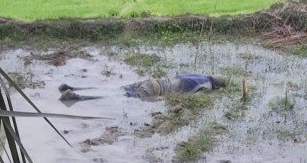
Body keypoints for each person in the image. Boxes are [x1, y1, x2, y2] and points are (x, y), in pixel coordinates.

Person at [58, 74, 226, 102]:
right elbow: (191, 98)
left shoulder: (199, 75)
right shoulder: (207, 86)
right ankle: (77, 97)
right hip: (154, 90)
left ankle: (73, 87)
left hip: (152, 81)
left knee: (117, 88)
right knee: (121, 97)